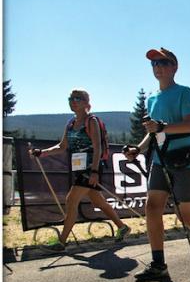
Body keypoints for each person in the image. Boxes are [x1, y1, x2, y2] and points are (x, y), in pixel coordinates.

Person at [124, 47, 190, 282]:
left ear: (174, 67)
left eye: (163, 62)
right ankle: (158, 264)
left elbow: (189, 126)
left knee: (185, 215)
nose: (157, 67)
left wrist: (162, 127)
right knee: (152, 207)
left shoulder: (184, 92)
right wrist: (137, 149)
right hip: (160, 159)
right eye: (154, 64)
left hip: (185, 158)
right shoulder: (151, 99)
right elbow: (152, 133)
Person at [30, 89, 131, 252]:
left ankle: (61, 242)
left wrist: (95, 171)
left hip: (91, 168)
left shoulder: (91, 121)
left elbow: (98, 147)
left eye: (77, 98)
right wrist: (43, 153)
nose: (73, 101)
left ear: (86, 103)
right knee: (98, 201)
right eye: (70, 98)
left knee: (71, 199)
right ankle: (122, 226)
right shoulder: (70, 123)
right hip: (80, 168)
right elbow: (62, 146)